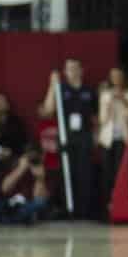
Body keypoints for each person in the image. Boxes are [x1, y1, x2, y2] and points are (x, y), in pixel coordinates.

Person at [39, 59, 96, 218]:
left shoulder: (89, 91)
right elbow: (48, 110)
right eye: (68, 69)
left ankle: (84, 211)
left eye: (74, 68)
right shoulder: (61, 89)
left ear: (81, 70)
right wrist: (52, 85)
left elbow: (95, 117)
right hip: (66, 137)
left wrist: (95, 137)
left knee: (84, 173)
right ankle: (67, 209)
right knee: (66, 173)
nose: (71, 71)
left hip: (84, 137)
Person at [97, 67, 128, 214]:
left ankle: (123, 203)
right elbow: (102, 120)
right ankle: (108, 205)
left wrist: (124, 101)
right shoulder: (105, 96)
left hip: (124, 138)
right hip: (108, 140)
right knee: (108, 172)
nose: (116, 80)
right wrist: (108, 104)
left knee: (121, 172)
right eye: (113, 77)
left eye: (119, 76)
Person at [0, 147, 48, 226]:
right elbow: (5, 189)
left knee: (40, 203)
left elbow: (39, 199)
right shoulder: (14, 165)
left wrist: (40, 179)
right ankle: (10, 220)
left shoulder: (40, 170)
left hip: (24, 206)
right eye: (29, 156)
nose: (31, 160)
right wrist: (21, 169)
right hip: (6, 204)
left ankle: (5, 220)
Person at [0, 92, 26, 179]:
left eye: (1, 102)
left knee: (18, 162)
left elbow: (23, 144)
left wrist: (10, 152)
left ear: (7, 106)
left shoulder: (16, 124)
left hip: (11, 158)